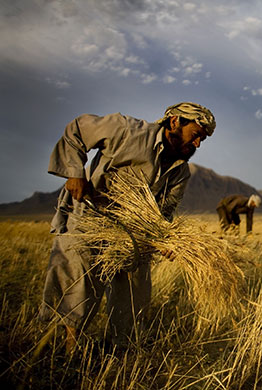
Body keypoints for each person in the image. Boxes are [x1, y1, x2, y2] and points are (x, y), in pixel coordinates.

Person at [39, 102, 216, 353]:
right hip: (90, 217)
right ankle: (68, 349)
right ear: (175, 122)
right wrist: (74, 173)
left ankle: (119, 348)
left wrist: (164, 239)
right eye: (196, 135)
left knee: (135, 292)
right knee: (77, 283)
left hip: (134, 233)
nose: (197, 144)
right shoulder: (127, 131)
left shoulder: (180, 172)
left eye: (203, 140)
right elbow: (77, 130)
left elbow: (164, 212)